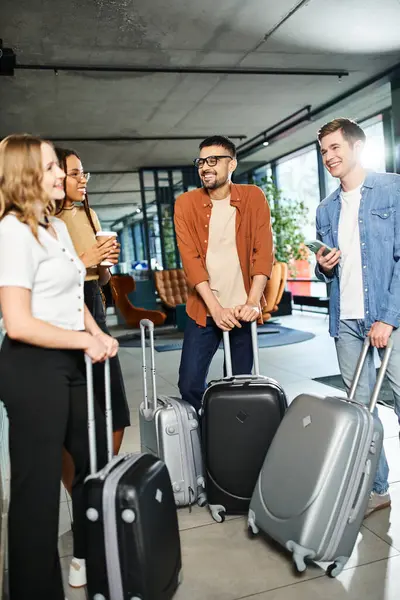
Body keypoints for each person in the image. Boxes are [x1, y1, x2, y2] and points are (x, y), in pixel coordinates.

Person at [0, 134, 118, 600]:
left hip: (71, 362)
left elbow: (74, 295)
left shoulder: (57, 227)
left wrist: (97, 331)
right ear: (28, 174)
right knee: (38, 495)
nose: (61, 176)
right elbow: (19, 323)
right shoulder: (11, 232)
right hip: (32, 369)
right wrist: (84, 340)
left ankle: (94, 566)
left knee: (92, 468)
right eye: (51, 167)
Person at [315, 117, 400, 518]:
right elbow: (330, 269)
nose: (328, 156)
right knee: (362, 413)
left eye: (335, 148)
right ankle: (377, 489)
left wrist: (389, 317)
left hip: (387, 317)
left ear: (356, 147)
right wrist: (323, 264)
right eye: (323, 151)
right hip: (345, 323)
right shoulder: (325, 209)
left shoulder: (392, 189)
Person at [54, 147, 130, 587]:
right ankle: (80, 502)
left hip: (94, 307)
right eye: (76, 174)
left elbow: (96, 279)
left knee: (114, 412)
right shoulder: (43, 223)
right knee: (74, 423)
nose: (84, 181)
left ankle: (94, 493)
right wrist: (84, 265)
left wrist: (104, 268)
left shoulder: (89, 213)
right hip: (64, 316)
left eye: (86, 173)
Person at [174, 135, 274, 412]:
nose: (206, 167)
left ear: (232, 164)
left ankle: (230, 437)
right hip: (204, 310)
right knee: (189, 383)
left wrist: (253, 301)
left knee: (239, 386)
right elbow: (190, 260)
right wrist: (215, 309)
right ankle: (207, 435)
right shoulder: (186, 203)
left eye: (214, 160)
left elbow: (262, 252)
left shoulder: (253, 196)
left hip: (243, 309)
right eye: (201, 161)